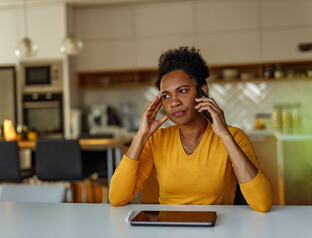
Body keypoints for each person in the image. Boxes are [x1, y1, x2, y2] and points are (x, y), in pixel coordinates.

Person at [109, 47, 273, 213]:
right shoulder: (157, 140)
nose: (174, 102)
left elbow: (262, 203)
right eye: (166, 95)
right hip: (169, 230)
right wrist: (141, 136)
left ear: (203, 92)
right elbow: (117, 198)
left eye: (182, 91)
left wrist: (225, 135)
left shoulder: (233, 137)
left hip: (218, 230)